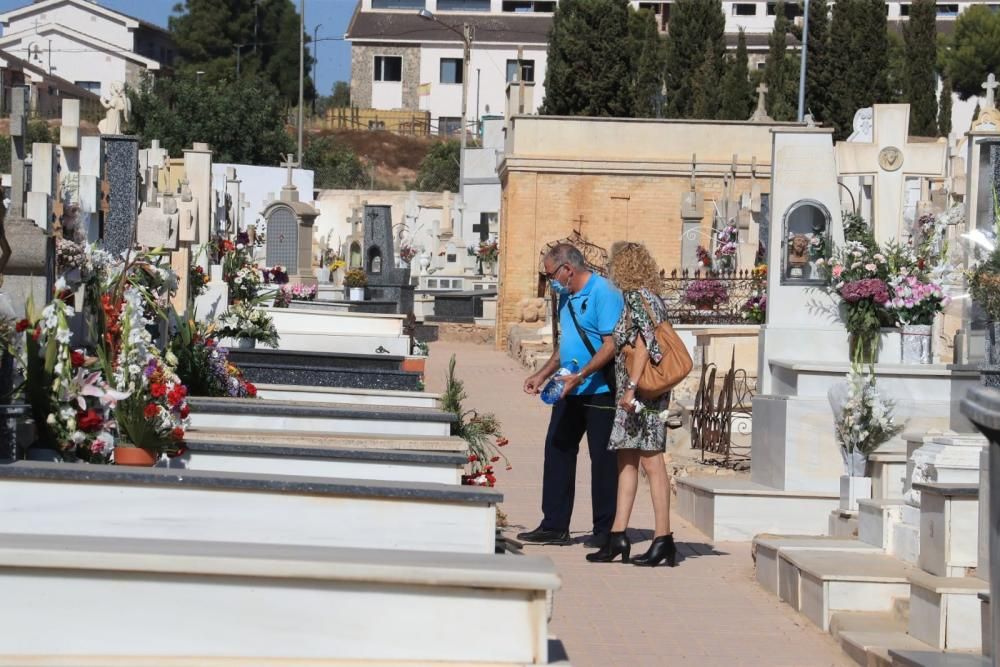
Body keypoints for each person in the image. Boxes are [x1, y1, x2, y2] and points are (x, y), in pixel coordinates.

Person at [518, 243, 624, 548]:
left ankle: (605, 530)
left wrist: (582, 375)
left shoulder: (603, 292)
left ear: (568, 269)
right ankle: (554, 525)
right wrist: (543, 374)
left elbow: (610, 344)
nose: (549, 280)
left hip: (600, 389)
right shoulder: (565, 296)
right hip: (567, 386)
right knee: (557, 448)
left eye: (550, 274)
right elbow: (567, 344)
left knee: (603, 460)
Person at [586, 242, 677, 567]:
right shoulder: (642, 297)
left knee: (651, 462)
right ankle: (617, 536)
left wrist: (632, 389)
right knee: (626, 461)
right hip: (633, 389)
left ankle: (663, 539)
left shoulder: (639, 298)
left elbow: (643, 345)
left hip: (643, 391)